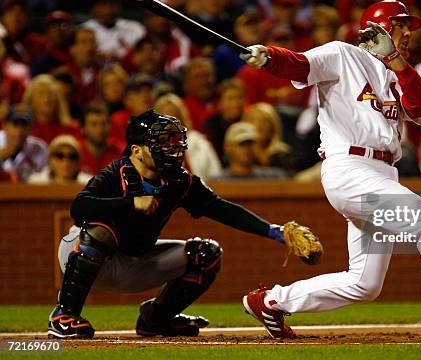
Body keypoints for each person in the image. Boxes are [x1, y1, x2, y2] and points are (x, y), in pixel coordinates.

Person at [238, 0, 421, 339]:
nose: (407, 34)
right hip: (349, 167)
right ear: (381, 28)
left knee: (364, 283)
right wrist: (269, 56)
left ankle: (271, 301)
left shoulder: (396, 72)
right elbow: (298, 65)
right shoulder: (344, 54)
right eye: (401, 26)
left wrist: (396, 62)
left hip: (383, 172)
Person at [48, 109, 298, 339]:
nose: (170, 147)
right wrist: (131, 203)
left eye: (171, 141)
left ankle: (156, 319)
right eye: (160, 142)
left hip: (136, 262)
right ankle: (64, 315)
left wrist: (275, 231)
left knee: (206, 254)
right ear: (137, 150)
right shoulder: (115, 174)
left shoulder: (179, 180)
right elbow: (79, 207)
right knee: (100, 231)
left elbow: (221, 209)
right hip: (86, 255)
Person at [153, 93, 222, 181]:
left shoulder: (200, 143)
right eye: (165, 118)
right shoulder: (149, 147)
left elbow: (215, 174)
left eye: (174, 116)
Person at [81, 0, 145, 60]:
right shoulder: (84, 30)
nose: (109, 10)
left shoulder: (135, 28)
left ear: (120, 7)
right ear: (93, 8)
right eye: (103, 4)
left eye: (113, 4)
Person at [213, 122, 288, 180]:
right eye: (242, 144)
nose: (247, 149)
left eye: (251, 143)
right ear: (227, 147)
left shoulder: (274, 177)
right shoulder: (217, 182)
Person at [22, 74, 80, 144]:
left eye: (51, 94)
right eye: (41, 94)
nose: (47, 99)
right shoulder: (22, 129)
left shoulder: (71, 129)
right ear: (31, 101)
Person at [242, 102, 294, 173]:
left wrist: (259, 153)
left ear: (273, 127)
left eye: (264, 121)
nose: (259, 126)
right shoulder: (238, 152)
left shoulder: (283, 155)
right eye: (253, 120)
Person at [0, 104, 47, 182]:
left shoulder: (39, 148)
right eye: (15, 125)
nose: (19, 131)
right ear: (4, 126)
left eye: (24, 125)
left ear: (31, 129)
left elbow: (45, 178)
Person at [79, 105, 123, 176]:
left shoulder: (119, 152)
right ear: (83, 128)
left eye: (104, 123)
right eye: (94, 124)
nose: (100, 129)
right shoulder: (76, 153)